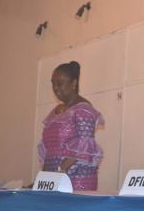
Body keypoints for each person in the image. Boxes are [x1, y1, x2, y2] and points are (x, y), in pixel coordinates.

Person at [38, 61, 104, 191]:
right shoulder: (55, 112)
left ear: (73, 84)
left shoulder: (84, 109)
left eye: (59, 83)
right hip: (55, 180)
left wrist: (58, 172)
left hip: (76, 180)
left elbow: (84, 144)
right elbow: (49, 149)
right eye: (53, 84)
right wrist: (43, 179)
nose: (55, 88)